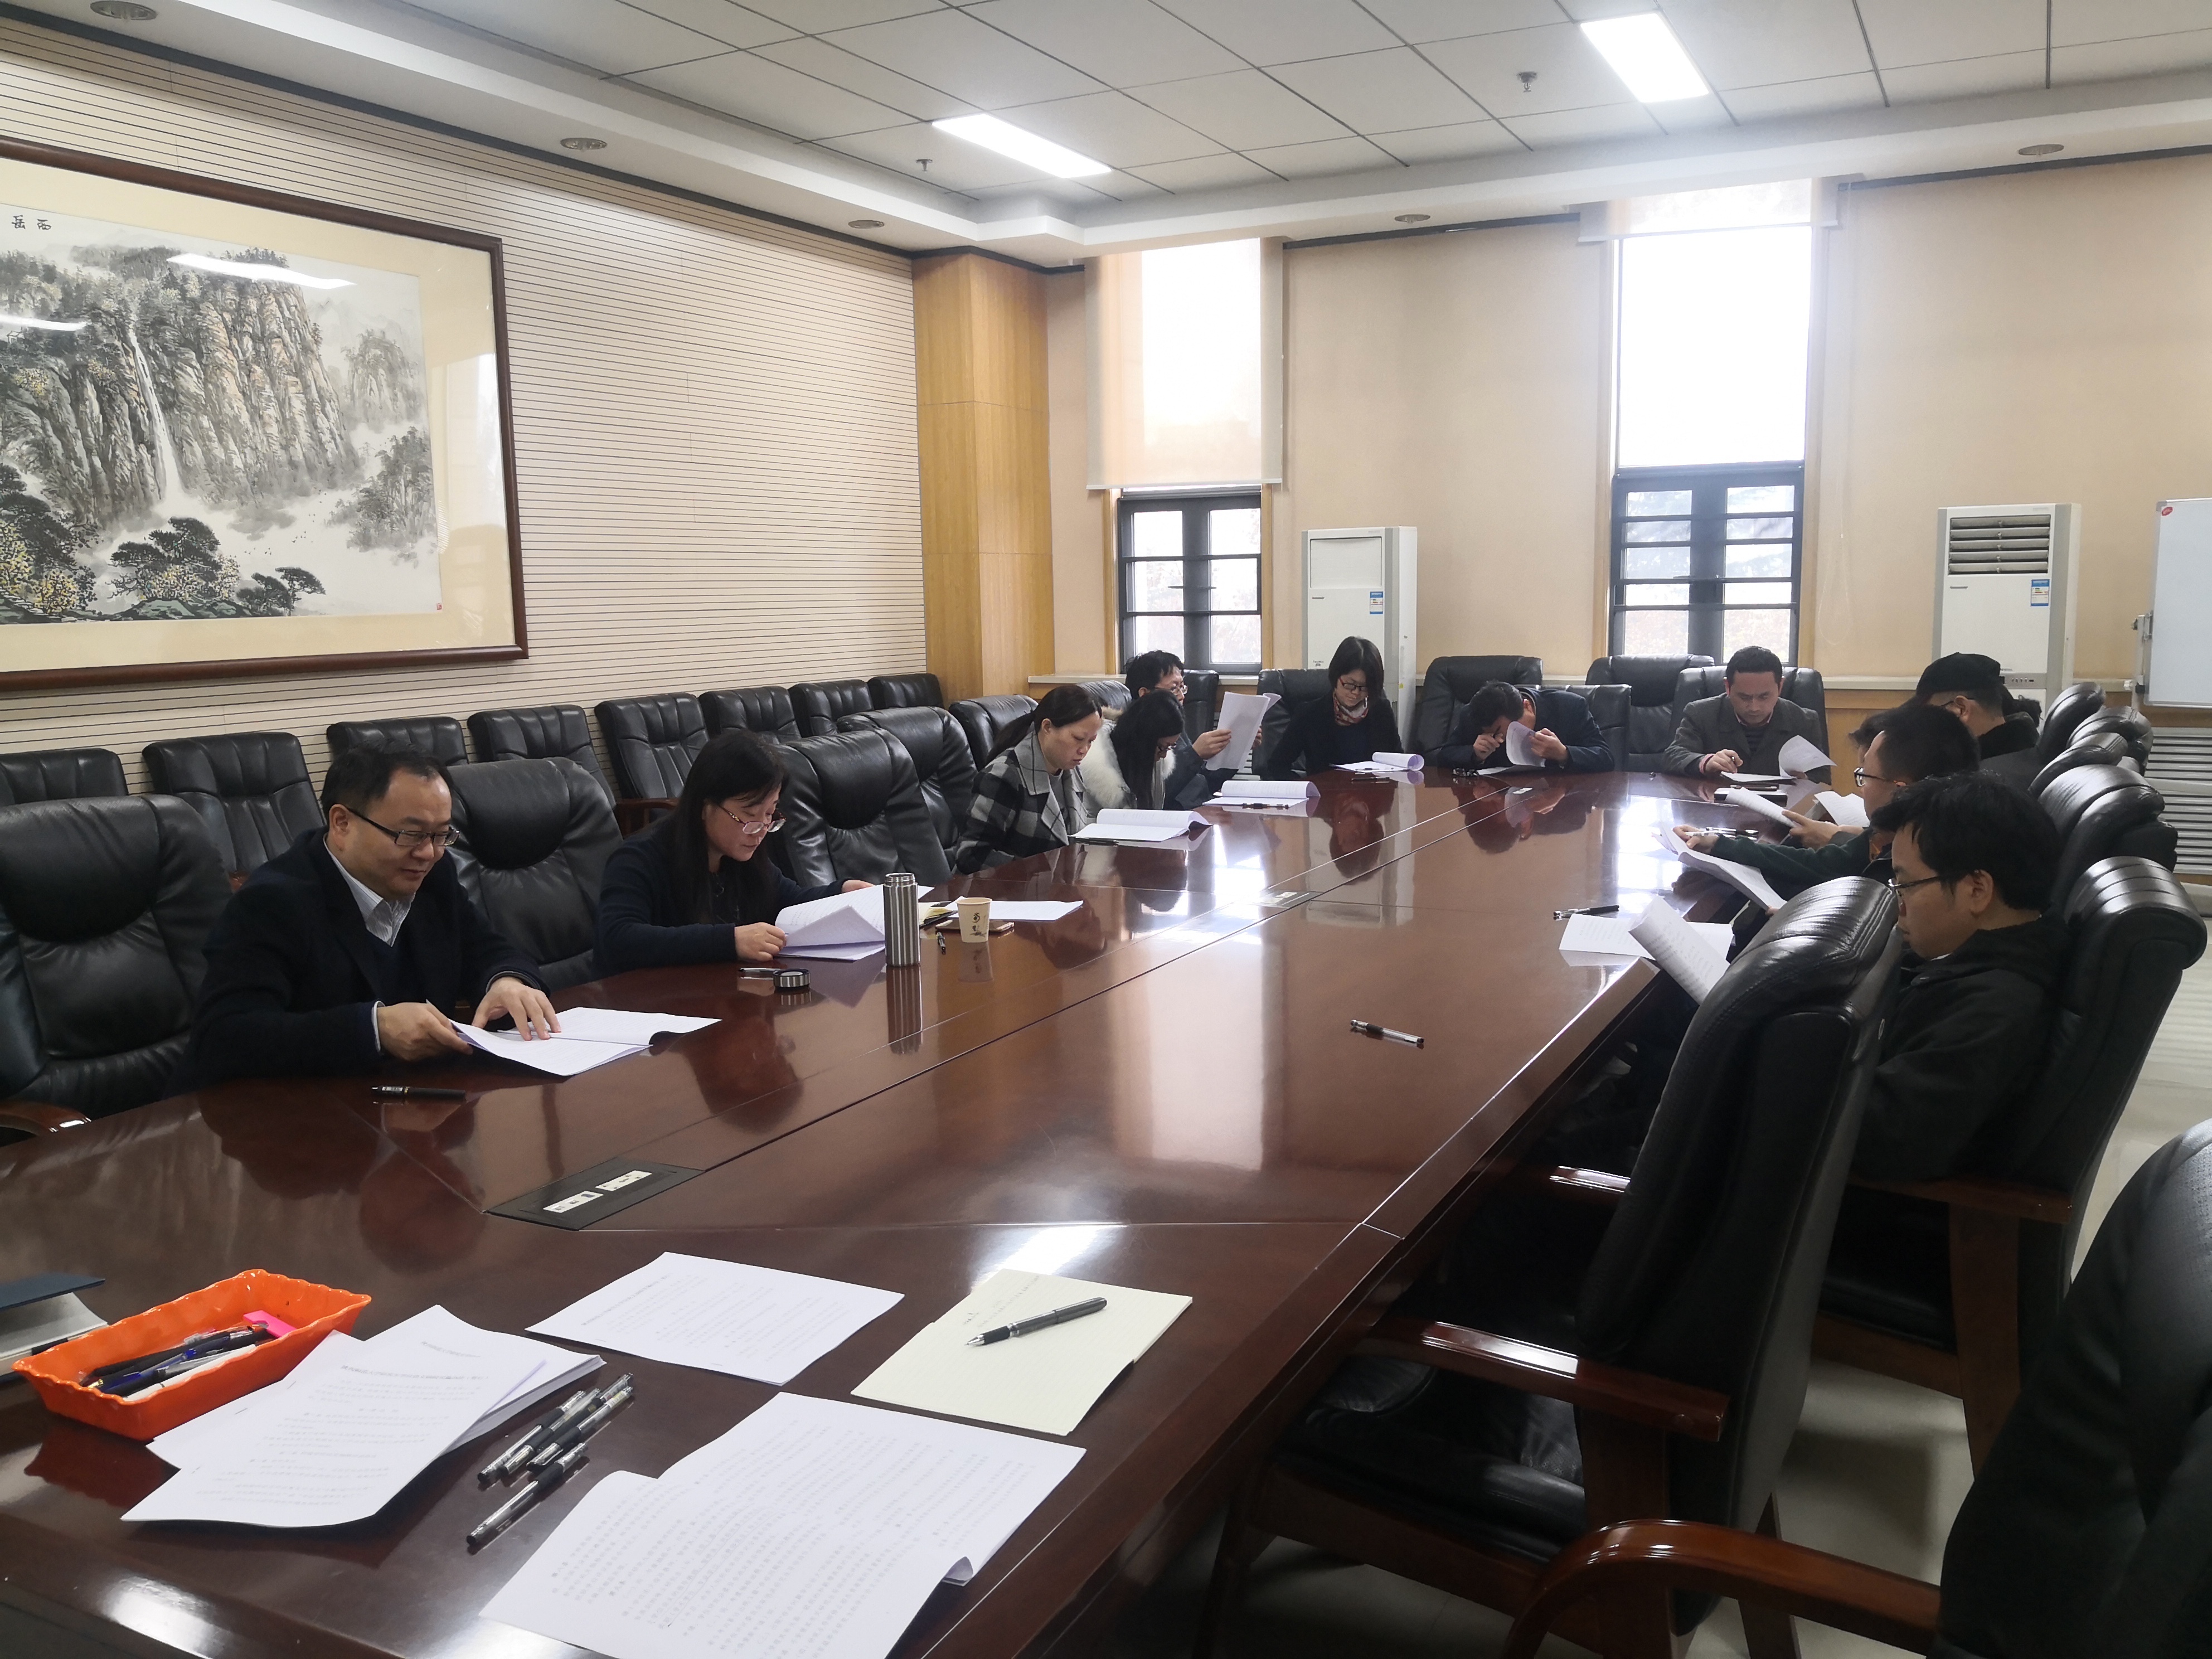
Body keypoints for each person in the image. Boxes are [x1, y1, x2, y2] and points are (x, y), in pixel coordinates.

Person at [173, 746, 556, 1089]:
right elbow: (226, 1036)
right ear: (342, 823)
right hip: (272, 1116)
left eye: (442, 835)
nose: (428, 853)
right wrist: (373, 1029)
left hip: (402, 1102)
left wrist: (507, 980)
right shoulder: (272, 902)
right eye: (411, 834)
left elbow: (486, 948)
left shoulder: (432, 876)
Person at [1854, 771, 2068, 1181]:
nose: (1898, 904)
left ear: (1977, 890)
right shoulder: (1990, 955)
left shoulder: (1992, 1011)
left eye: (1905, 884)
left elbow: (1885, 1139)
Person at [595, 729, 870, 973]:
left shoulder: (741, 853)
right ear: (705, 807)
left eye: (770, 814)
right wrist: (730, 941)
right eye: (749, 815)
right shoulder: (639, 858)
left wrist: (841, 893)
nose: (761, 830)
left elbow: (789, 900)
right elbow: (619, 939)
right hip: (648, 1001)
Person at [1669, 700, 1979, 899]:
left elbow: (1828, 873)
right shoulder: (1906, 831)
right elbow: (1825, 864)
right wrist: (1719, 844)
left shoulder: (1916, 862)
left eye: (1864, 776)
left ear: (1902, 791)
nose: (1861, 789)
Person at [954, 683, 1102, 872]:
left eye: (1091, 741)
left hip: (1057, 887)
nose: (1084, 750)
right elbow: (971, 855)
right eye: (1078, 739)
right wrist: (1039, 871)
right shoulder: (1004, 776)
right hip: (1008, 889)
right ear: (1047, 727)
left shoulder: (1070, 770)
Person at [1663, 644, 1826, 778]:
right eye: (1744, 697)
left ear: (1780, 686)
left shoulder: (1804, 721)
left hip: (1782, 805)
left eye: (1764, 696)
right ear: (1728, 687)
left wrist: (1805, 780)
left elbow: (1822, 777)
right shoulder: (1701, 713)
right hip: (1719, 803)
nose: (1754, 707)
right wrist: (1705, 761)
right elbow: (1673, 756)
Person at [1262, 636, 1400, 779]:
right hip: (1325, 792)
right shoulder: (1310, 715)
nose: (1356, 693)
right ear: (1336, 676)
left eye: (1365, 687)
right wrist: (1306, 786)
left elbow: (1399, 762)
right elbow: (1276, 766)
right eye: (1350, 685)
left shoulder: (1381, 711)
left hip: (1374, 792)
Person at [1123, 649, 1233, 806]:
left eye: (1182, 687)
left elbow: (1202, 783)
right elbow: (1155, 794)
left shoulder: (1171, 722)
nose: (1182, 696)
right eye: (1174, 688)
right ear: (1145, 694)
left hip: (1203, 806)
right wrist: (1195, 755)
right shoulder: (1134, 731)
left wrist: (1234, 750)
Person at [1432, 680, 1613, 773]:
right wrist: (1475, 754)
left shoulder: (1570, 707)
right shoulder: (1473, 714)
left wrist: (1564, 754)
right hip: (1499, 799)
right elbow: (1444, 756)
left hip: (1556, 799)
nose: (1501, 739)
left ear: (1527, 707)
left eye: (1502, 732)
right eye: (1493, 736)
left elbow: (1606, 758)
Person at [1914, 651, 2041, 780]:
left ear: (1961, 709)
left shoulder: (1975, 784)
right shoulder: (2031, 759)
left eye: (1929, 716)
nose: (1926, 728)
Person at [1080, 688, 1189, 811]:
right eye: (1163, 747)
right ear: (1144, 739)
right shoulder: (1095, 770)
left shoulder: (1157, 762)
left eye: (1170, 747)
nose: (1164, 755)